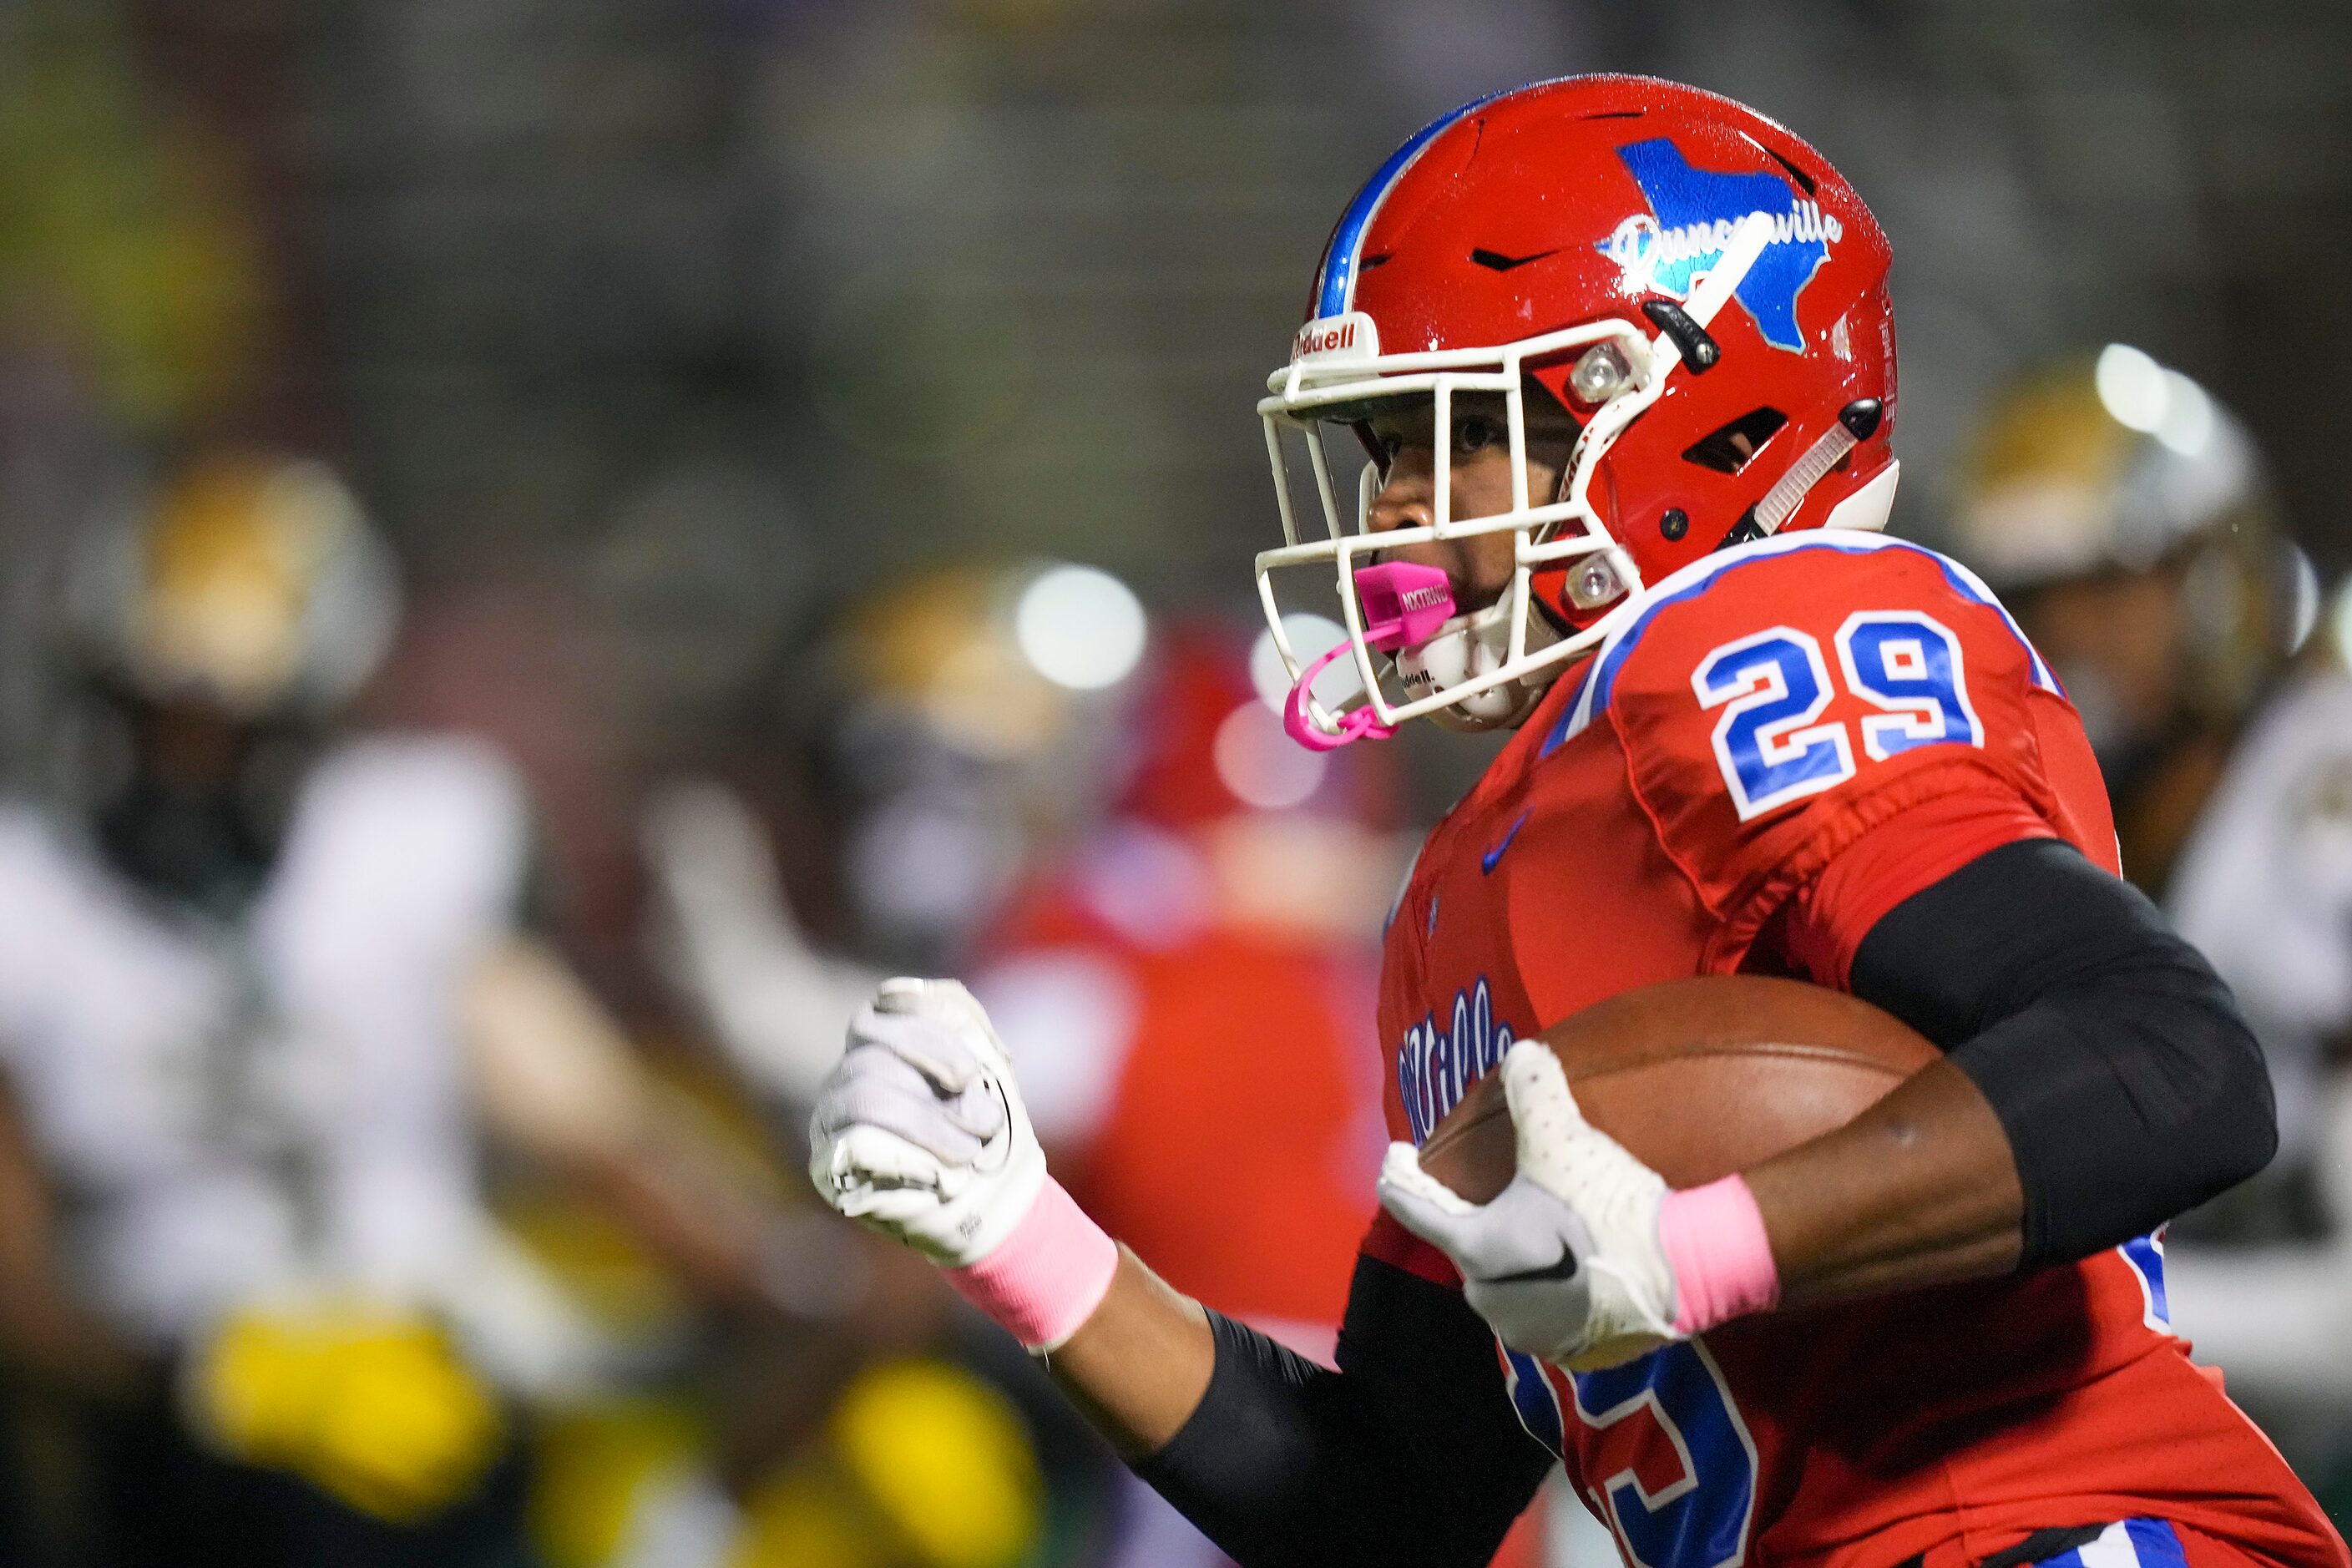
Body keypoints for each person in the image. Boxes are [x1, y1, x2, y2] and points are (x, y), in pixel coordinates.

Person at [806, 75, 2346, 1568]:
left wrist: (1696, 1250)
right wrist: (1019, 1228)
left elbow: (2169, 1061)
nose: (1395, 516)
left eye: (1450, 436)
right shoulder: (1454, 893)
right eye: (1383, 454)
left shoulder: (1753, 645)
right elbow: (1390, 1505)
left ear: (1686, 418)